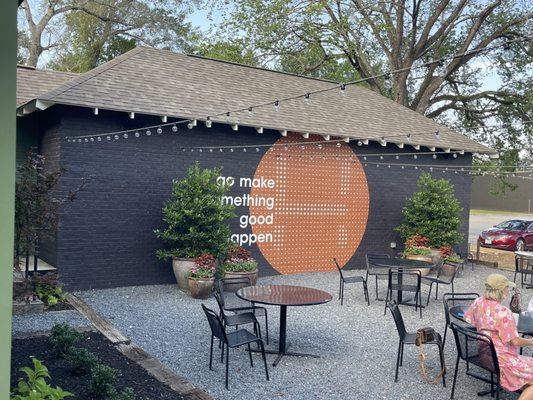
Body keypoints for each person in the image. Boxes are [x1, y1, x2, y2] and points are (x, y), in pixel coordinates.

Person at [464, 274, 533, 400]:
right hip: (503, 362)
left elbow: (470, 321)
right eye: (507, 288)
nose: (508, 290)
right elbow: (515, 341)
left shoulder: (478, 302)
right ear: (501, 291)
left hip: (485, 355)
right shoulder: (503, 312)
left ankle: (523, 386)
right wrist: (531, 342)